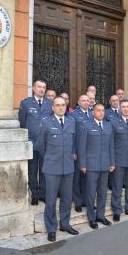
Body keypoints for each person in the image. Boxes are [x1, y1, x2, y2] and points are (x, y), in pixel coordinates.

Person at [37, 96, 79, 242]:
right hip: (51, 168)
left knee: (67, 199)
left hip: (68, 167)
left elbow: (73, 143)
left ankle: (65, 224)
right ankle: (51, 228)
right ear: (52, 107)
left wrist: (72, 154)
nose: (61, 107)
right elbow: (40, 146)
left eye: (63, 105)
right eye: (58, 105)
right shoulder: (46, 122)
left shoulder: (71, 122)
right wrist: (50, 158)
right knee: (50, 199)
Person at [78, 104, 115, 229]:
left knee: (103, 192)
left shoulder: (109, 125)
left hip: (105, 164)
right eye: (98, 110)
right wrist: (82, 164)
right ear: (93, 112)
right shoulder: (86, 125)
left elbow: (111, 146)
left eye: (103, 110)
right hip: (91, 165)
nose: (101, 113)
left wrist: (112, 162)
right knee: (91, 193)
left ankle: (100, 215)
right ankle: (91, 217)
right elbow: (81, 147)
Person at [18, 80, 53, 205]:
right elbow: (22, 122)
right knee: (32, 170)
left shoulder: (50, 103)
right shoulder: (26, 103)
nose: (42, 89)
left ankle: (43, 193)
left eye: (44, 87)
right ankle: (35, 194)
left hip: (45, 143)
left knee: (44, 169)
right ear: (33, 88)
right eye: (39, 87)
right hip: (31, 143)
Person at [70, 95, 93, 212]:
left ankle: (86, 200)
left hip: (91, 151)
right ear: (78, 102)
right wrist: (73, 150)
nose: (85, 102)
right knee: (77, 178)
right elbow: (71, 134)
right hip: (78, 151)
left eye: (87, 100)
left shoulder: (93, 114)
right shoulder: (73, 115)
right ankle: (77, 202)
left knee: (88, 178)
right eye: (83, 100)